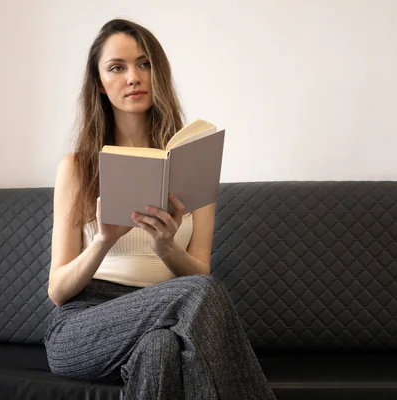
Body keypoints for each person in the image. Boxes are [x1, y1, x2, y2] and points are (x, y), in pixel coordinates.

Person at [44, 18, 276, 400]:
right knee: (199, 292)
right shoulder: (77, 167)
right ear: (100, 84)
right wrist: (102, 241)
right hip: (84, 324)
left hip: (165, 319)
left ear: (159, 74)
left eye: (144, 64)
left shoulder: (191, 162)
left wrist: (166, 246)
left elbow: (199, 269)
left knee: (161, 350)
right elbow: (57, 291)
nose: (133, 77)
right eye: (117, 67)